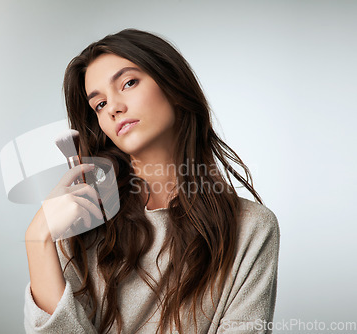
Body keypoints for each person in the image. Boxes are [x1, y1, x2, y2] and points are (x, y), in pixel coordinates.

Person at [23, 29, 280, 334]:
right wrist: (37, 239)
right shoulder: (81, 218)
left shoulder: (251, 227)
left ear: (172, 83)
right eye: (100, 105)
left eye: (128, 83)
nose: (114, 107)